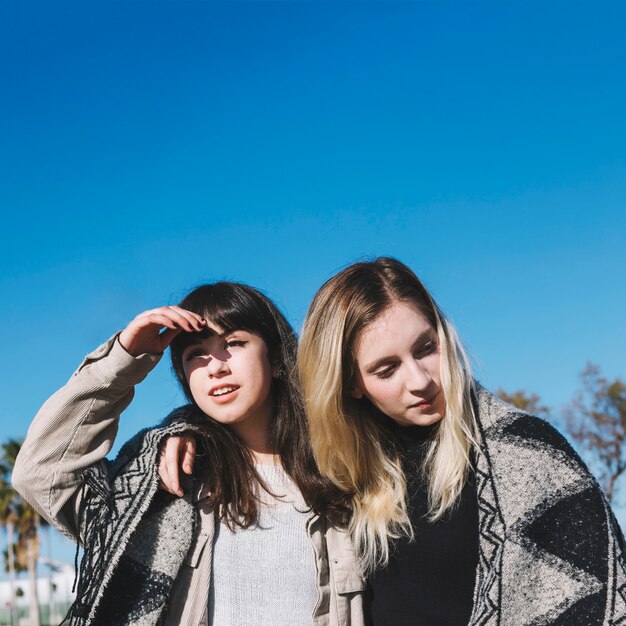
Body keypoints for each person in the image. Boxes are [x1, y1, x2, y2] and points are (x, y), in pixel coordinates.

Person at [295, 257, 626, 626]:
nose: (420, 380)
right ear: (351, 384)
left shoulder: (529, 454)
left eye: (425, 348)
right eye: (386, 369)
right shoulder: (335, 480)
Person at [13, 282, 364, 626]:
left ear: (275, 360)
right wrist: (123, 360)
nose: (216, 366)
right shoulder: (166, 483)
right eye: (196, 353)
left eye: (234, 343)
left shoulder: (349, 472)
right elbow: (43, 474)